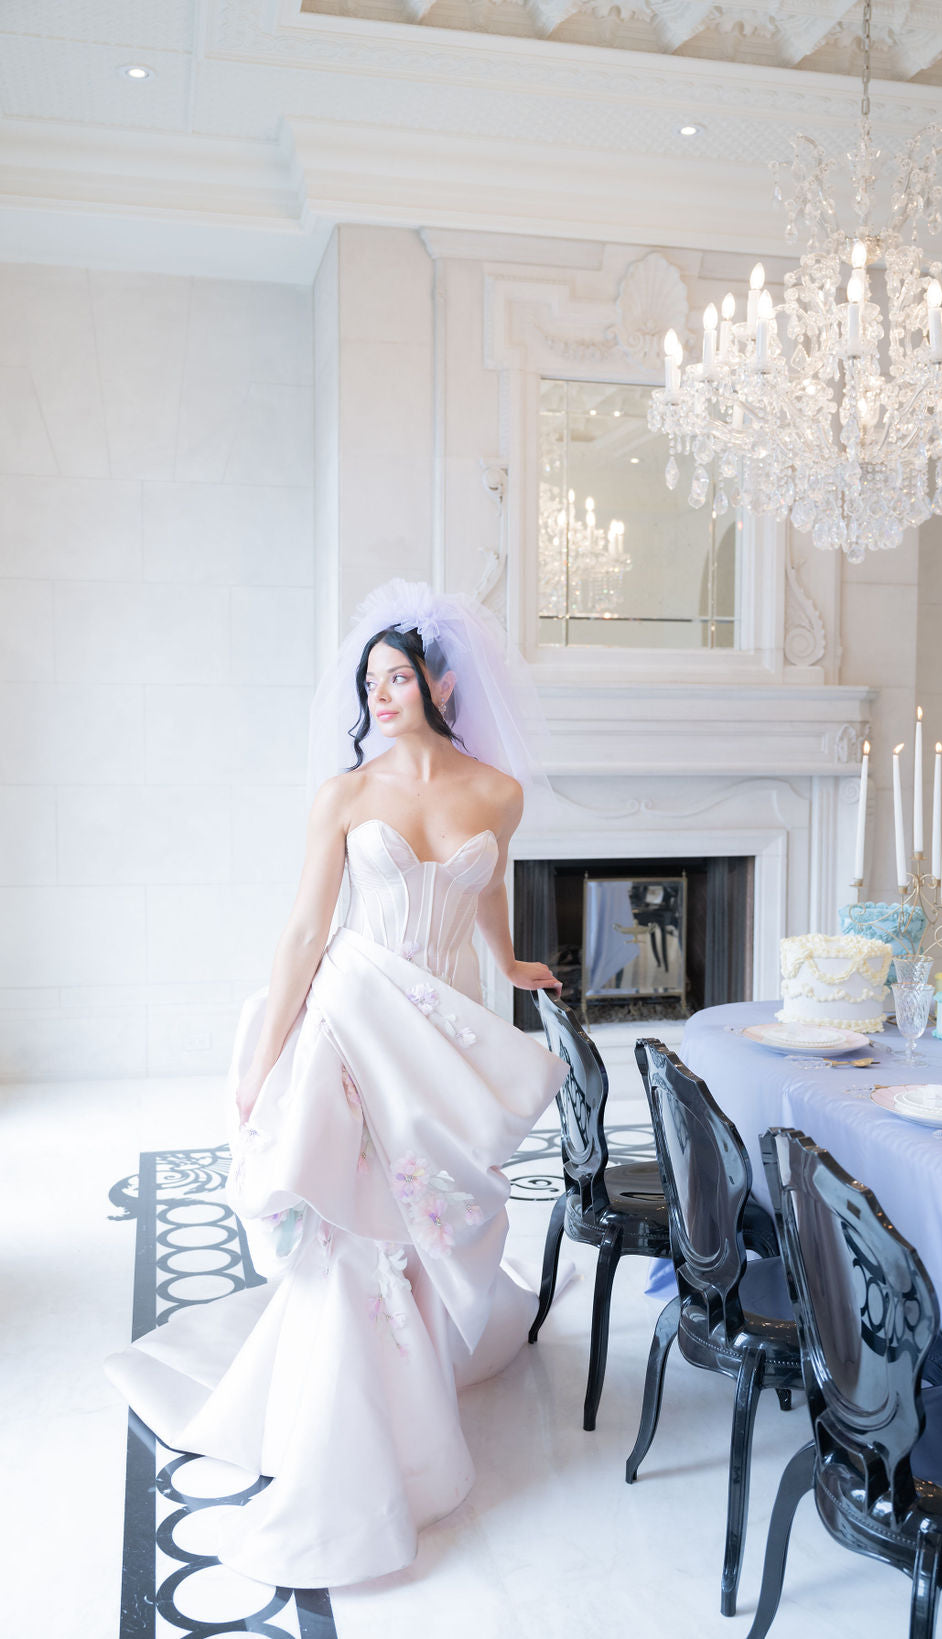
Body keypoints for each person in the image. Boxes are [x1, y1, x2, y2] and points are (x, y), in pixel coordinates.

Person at [106, 579, 567, 1589]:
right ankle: (356, 1438)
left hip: (439, 1020)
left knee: (426, 1208)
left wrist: (517, 962)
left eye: (399, 676)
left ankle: (406, 1387)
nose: (384, 695)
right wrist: (271, 1048)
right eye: (373, 681)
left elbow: (487, 893)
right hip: (352, 1014)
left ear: (442, 681)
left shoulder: (498, 793)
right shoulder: (347, 795)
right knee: (357, 1215)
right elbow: (306, 931)